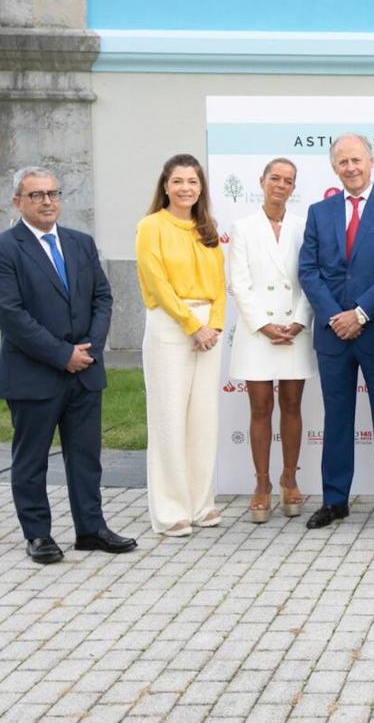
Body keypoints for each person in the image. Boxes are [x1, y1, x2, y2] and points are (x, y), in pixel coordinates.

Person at [0, 167, 136, 563]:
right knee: (31, 459)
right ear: (17, 202)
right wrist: (63, 355)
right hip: (34, 373)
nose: (47, 201)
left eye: (53, 193)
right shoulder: (7, 248)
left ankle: (91, 529)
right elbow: (10, 313)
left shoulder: (80, 243)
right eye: (36, 195)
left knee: (85, 456)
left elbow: (103, 297)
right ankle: (38, 535)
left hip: (85, 371)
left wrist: (88, 350)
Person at [298, 133, 374, 533]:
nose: (351, 167)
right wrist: (334, 316)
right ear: (334, 168)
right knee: (337, 418)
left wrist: (360, 313)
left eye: (357, 160)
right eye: (343, 162)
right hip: (333, 335)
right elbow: (308, 270)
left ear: (371, 161)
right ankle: (334, 500)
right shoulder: (318, 212)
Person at [136, 153, 227, 537]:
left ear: (201, 187)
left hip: (209, 329)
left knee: (202, 420)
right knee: (169, 419)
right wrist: (192, 325)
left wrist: (215, 326)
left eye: (192, 181)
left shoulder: (207, 228)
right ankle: (171, 510)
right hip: (171, 327)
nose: (185, 188)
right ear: (165, 185)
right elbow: (156, 282)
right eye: (178, 181)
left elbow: (221, 283)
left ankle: (200, 503)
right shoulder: (151, 226)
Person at [228, 158, 316, 523]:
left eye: (288, 181)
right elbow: (239, 283)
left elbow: (312, 275)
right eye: (275, 178)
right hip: (257, 331)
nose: (281, 185)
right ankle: (262, 483)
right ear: (261, 181)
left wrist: (297, 321)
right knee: (260, 407)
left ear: (294, 188)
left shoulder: (303, 227)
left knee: (292, 405)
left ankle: (290, 479)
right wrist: (264, 324)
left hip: (295, 328)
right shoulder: (243, 227)